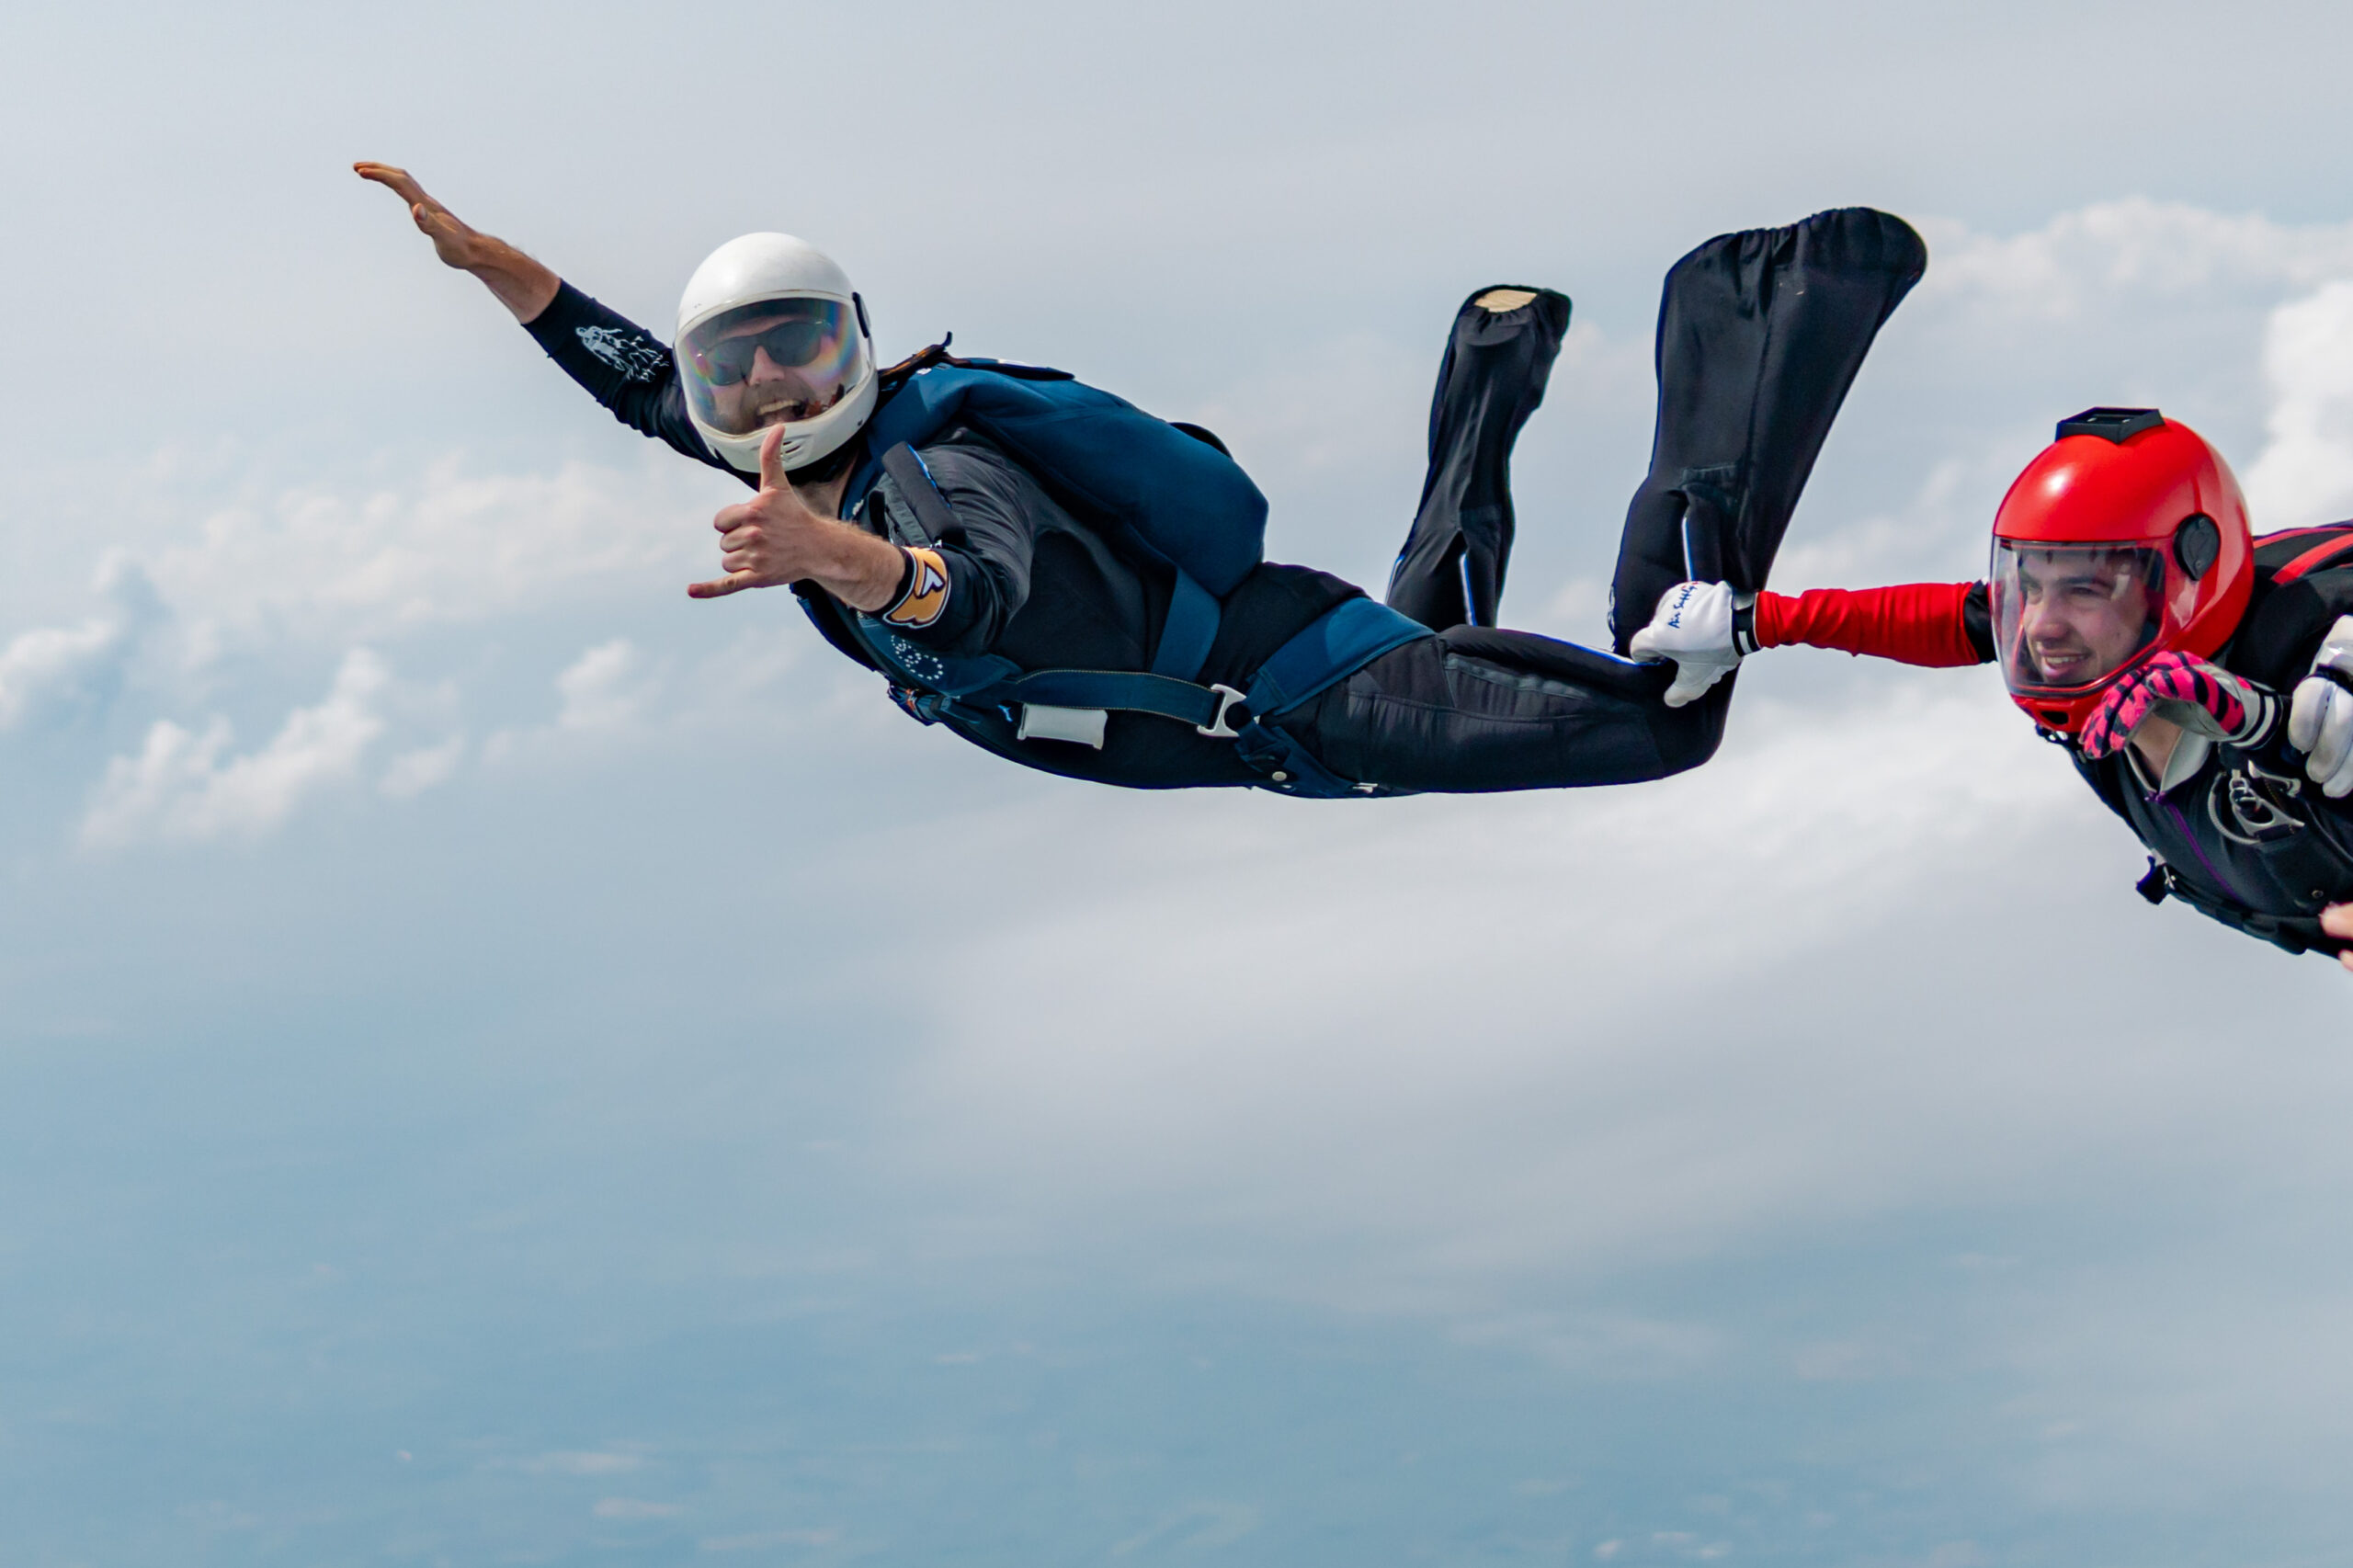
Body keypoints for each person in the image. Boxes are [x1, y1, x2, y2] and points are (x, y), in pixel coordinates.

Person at [356, 162, 1923, 800]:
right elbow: (646, 387)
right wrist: (502, 273)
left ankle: (1760, 324)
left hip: (1311, 699)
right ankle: (1490, 377)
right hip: (1303, 671)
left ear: (862, 346)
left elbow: (979, 591)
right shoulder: (777, 446)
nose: (767, 391)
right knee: (1426, 628)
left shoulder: (933, 463)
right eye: (735, 370)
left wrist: (826, 555)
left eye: (796, 350)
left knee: (1671, 719)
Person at [1627, 405, 2353, 967]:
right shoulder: (2103, 675)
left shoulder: (2307, 669)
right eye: (2028, 583)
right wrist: (1753, 623)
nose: (2040, 626)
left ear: (2190, 582)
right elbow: (1955, 617)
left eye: (2085, 589)